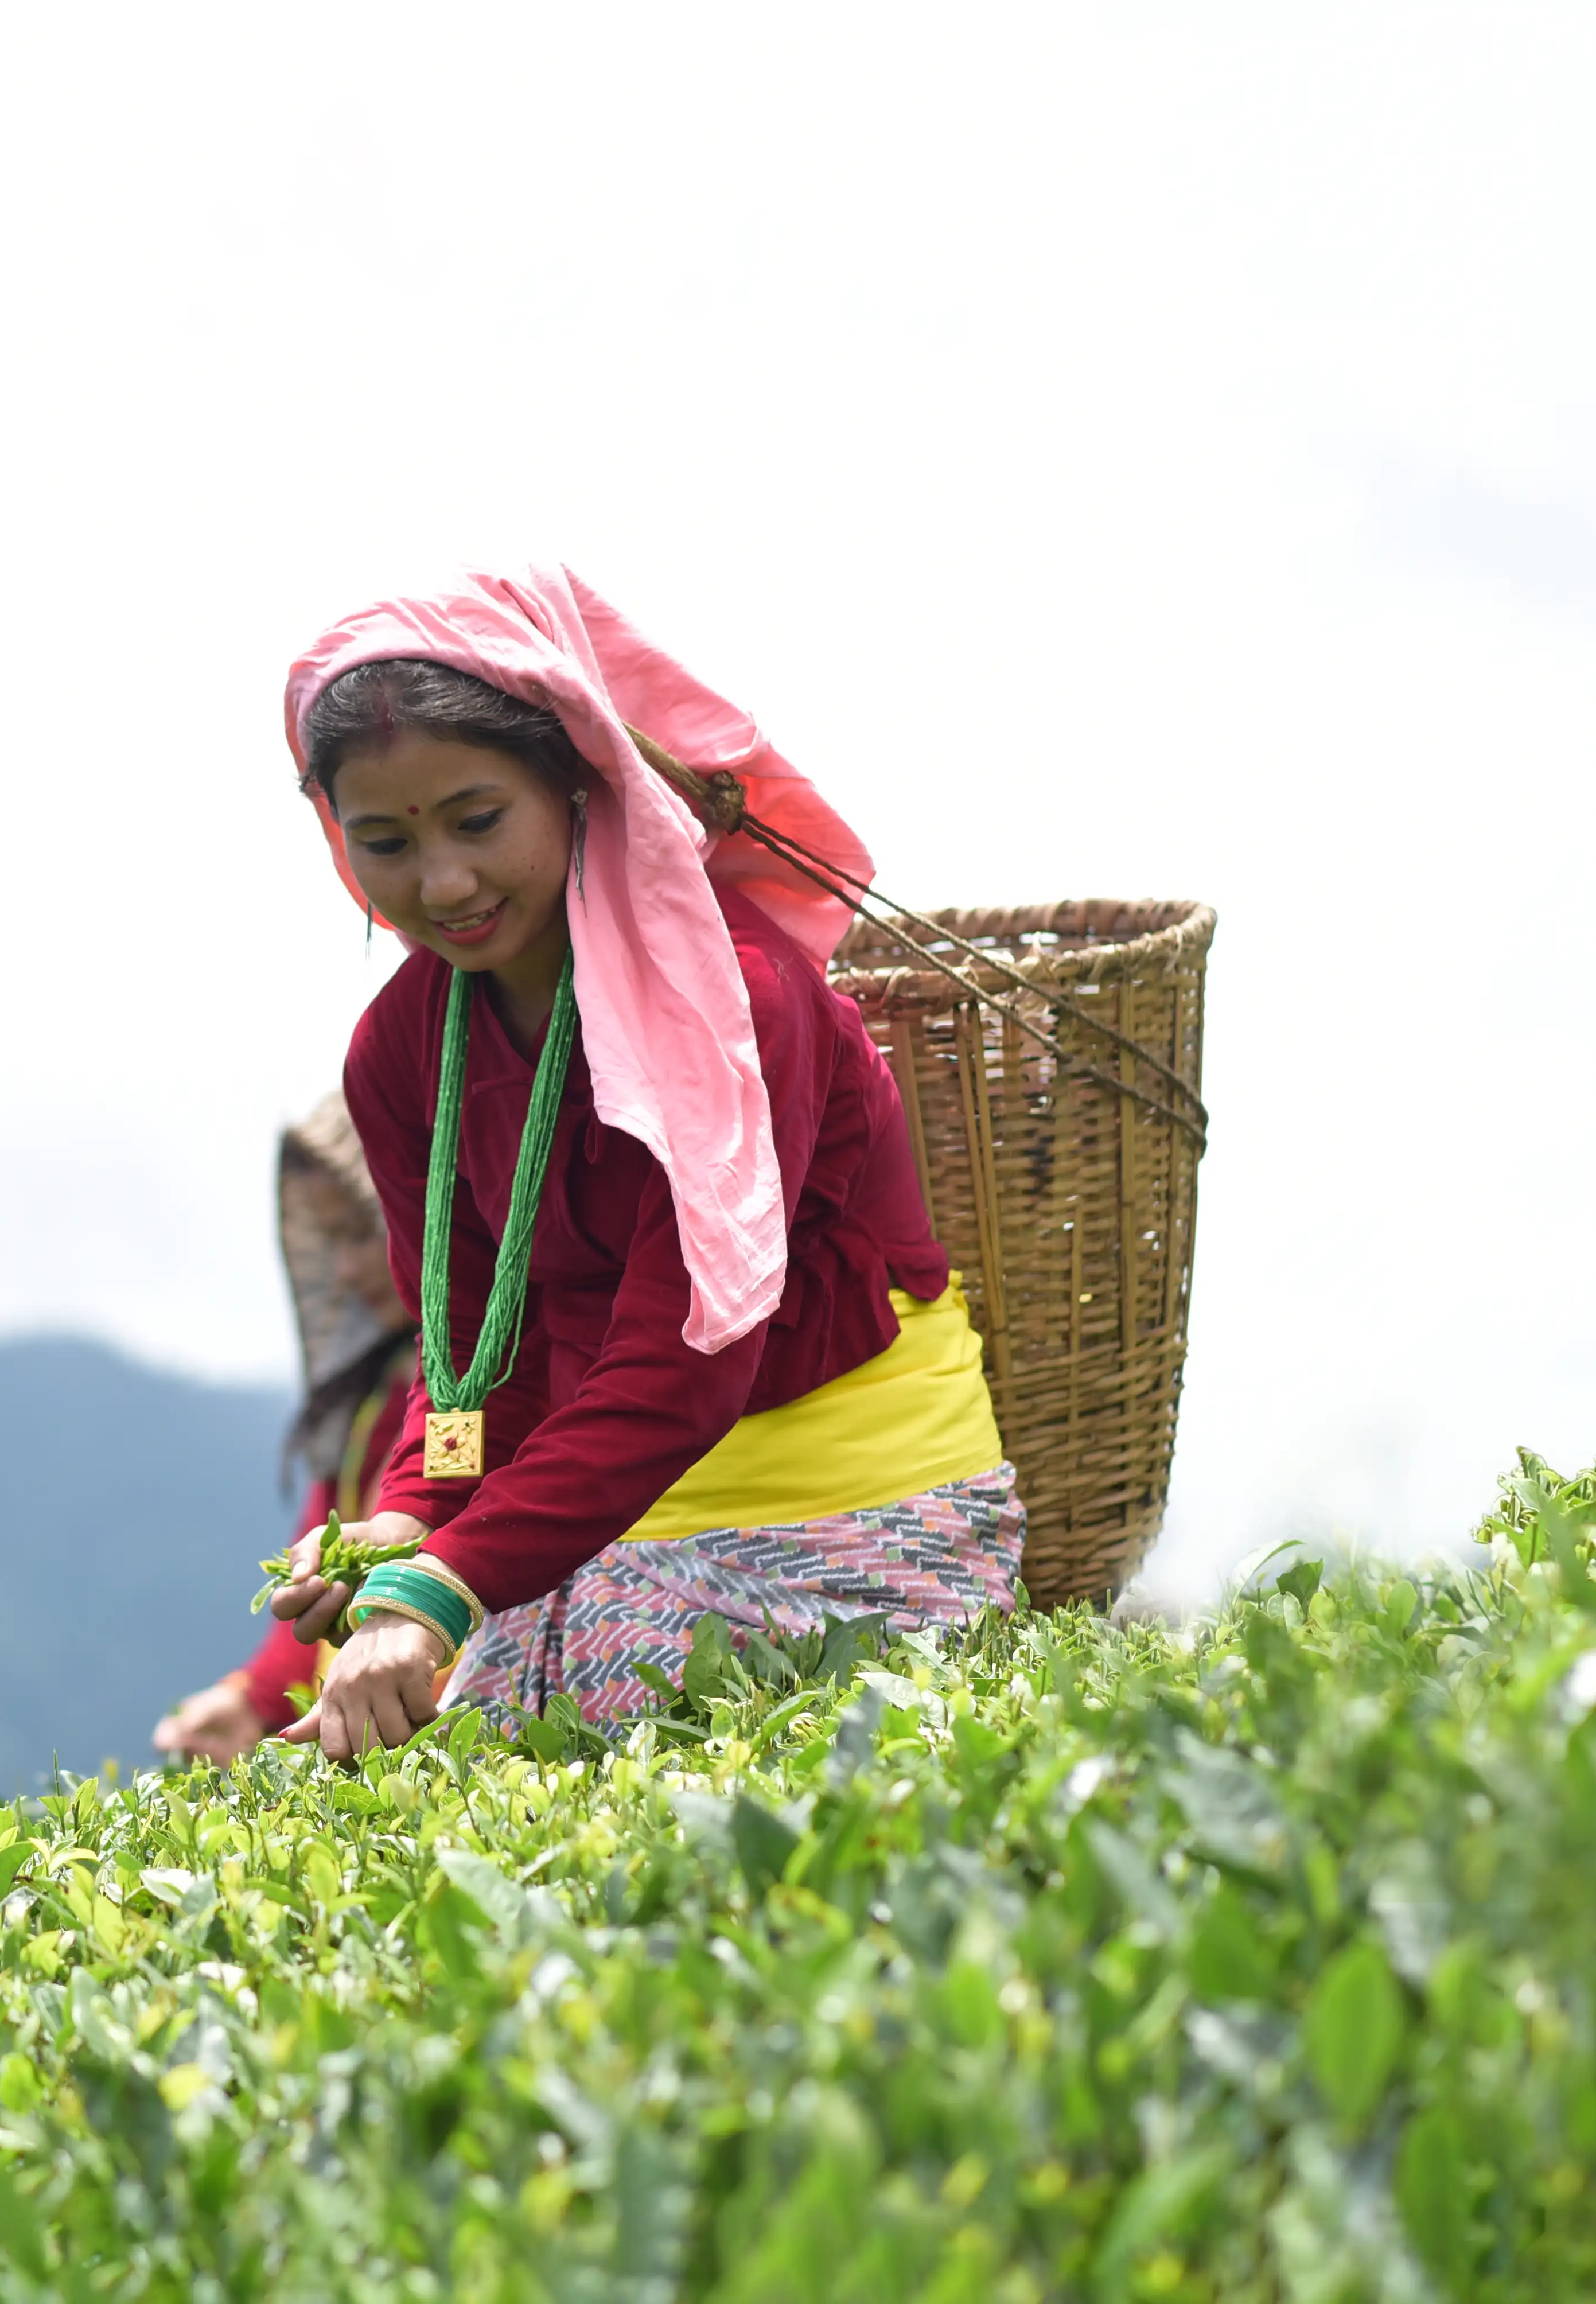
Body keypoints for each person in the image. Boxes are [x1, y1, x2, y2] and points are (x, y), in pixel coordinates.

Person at [257, 567, 1025, 1760]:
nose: (442, 882)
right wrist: (407, 1516)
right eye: (386, 842)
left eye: (476, 821)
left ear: (576, 781)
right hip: (598, 1514)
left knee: (577, 1738)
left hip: (845, 1500)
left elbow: (687, 1360)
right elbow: (470, 1363)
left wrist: (446, 1583)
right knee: (448, 1752)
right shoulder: (404, 1052)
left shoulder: (733, 997)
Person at [153, 1096, 411, 1765]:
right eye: (334, 1240)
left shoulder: (496, 1388)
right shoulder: (365, 1409)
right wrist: (252, 1700)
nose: (346, 1269)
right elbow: (315, 1584)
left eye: (361, 1233)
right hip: (365, 1734)